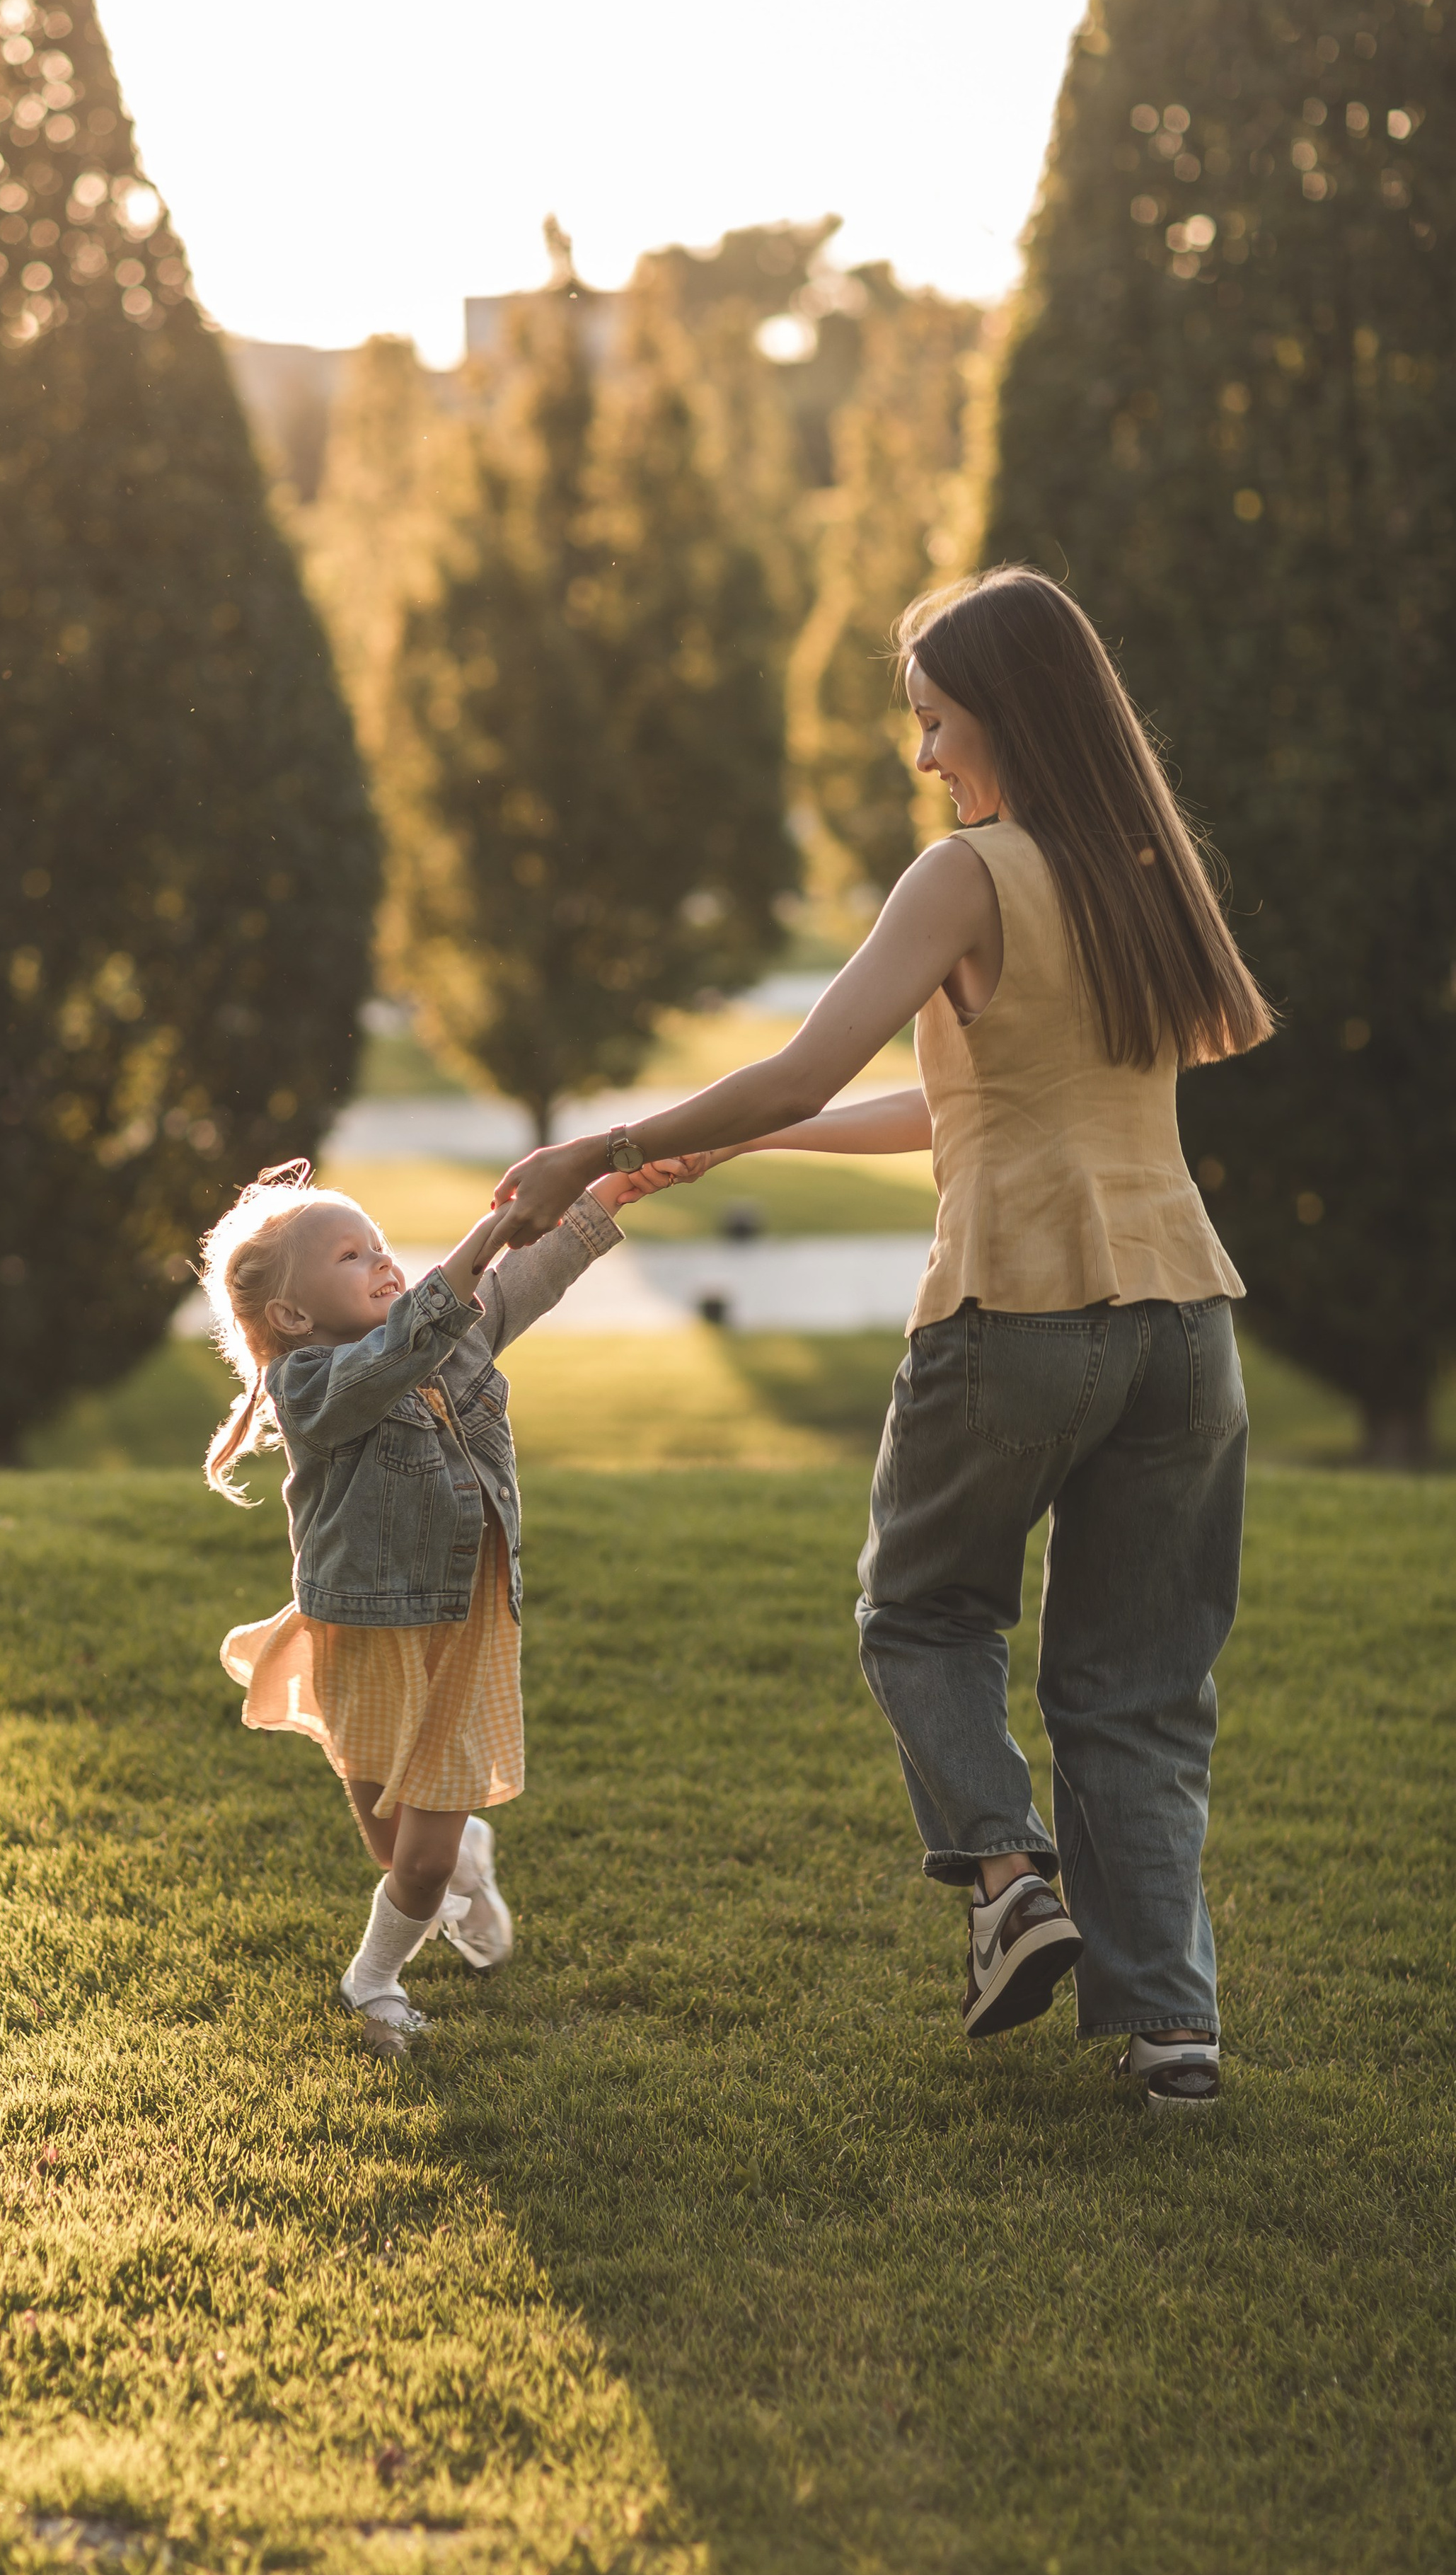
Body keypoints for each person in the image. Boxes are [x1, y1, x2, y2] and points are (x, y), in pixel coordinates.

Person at [490, 567, 1273, 2115]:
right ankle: (1170, 2030)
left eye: (932, 722)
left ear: (1004, 713)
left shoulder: (965, 873)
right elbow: (971, 1096)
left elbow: (798, 1066)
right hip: (1185, 1327)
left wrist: (605, 1146)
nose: (923, 759)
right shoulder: (1137, 863)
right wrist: (744, 1154)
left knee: (916, 1614)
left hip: (1016, 1312)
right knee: (1134, 1688)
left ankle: (1007, 1881)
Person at [200, 1153, 679, 2044]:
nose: (384, 1262)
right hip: (362, 1632)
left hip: (464, 1623)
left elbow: (528, 1277)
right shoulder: (311, 1387)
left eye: (380, 1244)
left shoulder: (447, 1335)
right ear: (293, 1316)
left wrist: (610, 1191)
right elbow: (395, 1353)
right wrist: (488, 1230)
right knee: (398, 1851)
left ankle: (371, 1980)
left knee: (417, 1866)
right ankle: (467, 1859)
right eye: (352, 1255)